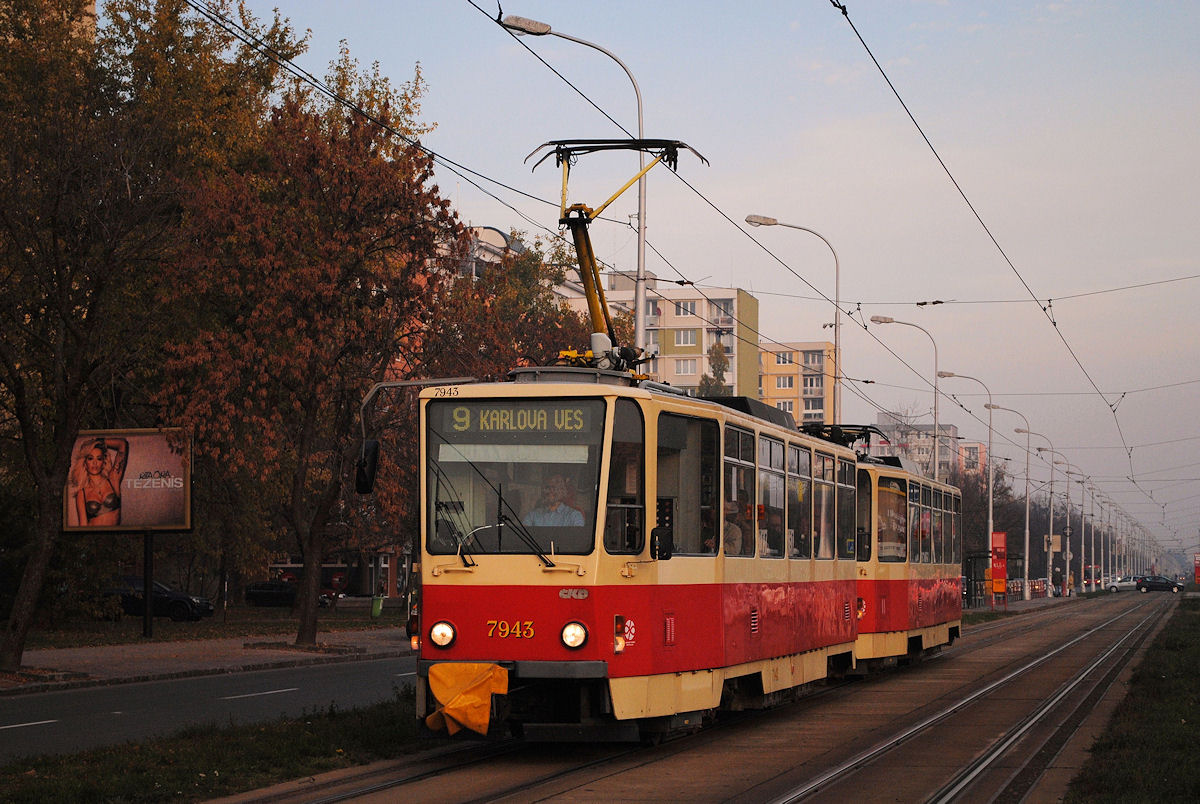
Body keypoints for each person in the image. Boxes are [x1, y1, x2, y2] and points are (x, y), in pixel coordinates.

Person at [70, 436, 128, 527]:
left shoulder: (113, 480)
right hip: (94, 539)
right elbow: (83, 526)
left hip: (114, 538)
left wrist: (98, 441)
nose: (95, 463)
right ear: (85, 463)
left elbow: (122, 444)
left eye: (99, 458)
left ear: (103, 462)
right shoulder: (82, 493)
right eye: (90, 458)